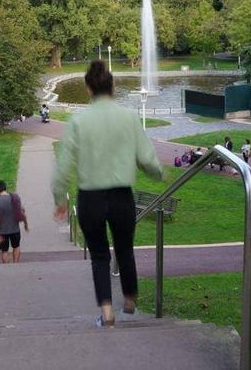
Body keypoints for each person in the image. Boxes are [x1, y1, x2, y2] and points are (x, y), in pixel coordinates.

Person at [51, 60, 165, 328]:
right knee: (125, 249)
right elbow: (147, 159)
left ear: (88, 89)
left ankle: (106, 312)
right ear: (112, 85)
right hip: (121, 196)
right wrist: (159, 173)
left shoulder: (78, 120)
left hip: (90, 198)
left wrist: (59, 199)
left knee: (100, 255)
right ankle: (129, 299)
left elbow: (63, 165)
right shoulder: (129, 117)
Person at [0, 180, 27, 263]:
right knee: (16, 247)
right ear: (5, 187)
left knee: (4, 251)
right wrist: (25, 224)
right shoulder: (15, 198)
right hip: (15, 229)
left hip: (2, 231)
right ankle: (15, 265)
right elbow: (22, 211)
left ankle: (6, 268)